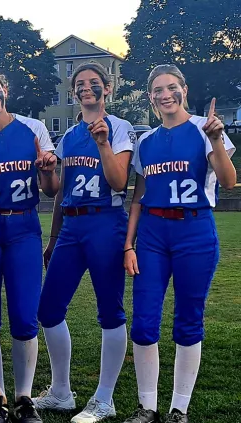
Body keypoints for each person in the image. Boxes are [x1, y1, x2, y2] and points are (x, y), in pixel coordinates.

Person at [122, 65, 236, 423]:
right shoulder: (146, 140)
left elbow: (230, 182)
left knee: (188, 320)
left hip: (194, 230)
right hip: (153, 233)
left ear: (184, 90)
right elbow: (138, 197)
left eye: (172, 87)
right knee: (143, 321)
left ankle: (178, 409)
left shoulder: (205, 129)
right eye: (158, 90)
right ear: (150, 96)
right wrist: (129, 244)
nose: (165, 94)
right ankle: (147, 407)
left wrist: (217, 138)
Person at [34, 63, 135, 423]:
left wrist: (104, 143)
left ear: (107, 88)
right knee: (48, 310)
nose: (87, 88)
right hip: (72, 226)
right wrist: (54, 236)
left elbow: (119, 182)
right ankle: (61, 391)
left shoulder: (120, 128)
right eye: (80, 84)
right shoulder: (69, 136)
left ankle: (104, 398)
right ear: (73, 90)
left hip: (105, 222)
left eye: (94, 83)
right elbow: (58, 193)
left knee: (110, 311)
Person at [0, 68, 59, 423]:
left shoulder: (33, 128)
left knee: (24, 315)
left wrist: (47, 170)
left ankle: (24, 396)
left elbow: (51, 189)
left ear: (5, 89)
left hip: (24, 227)